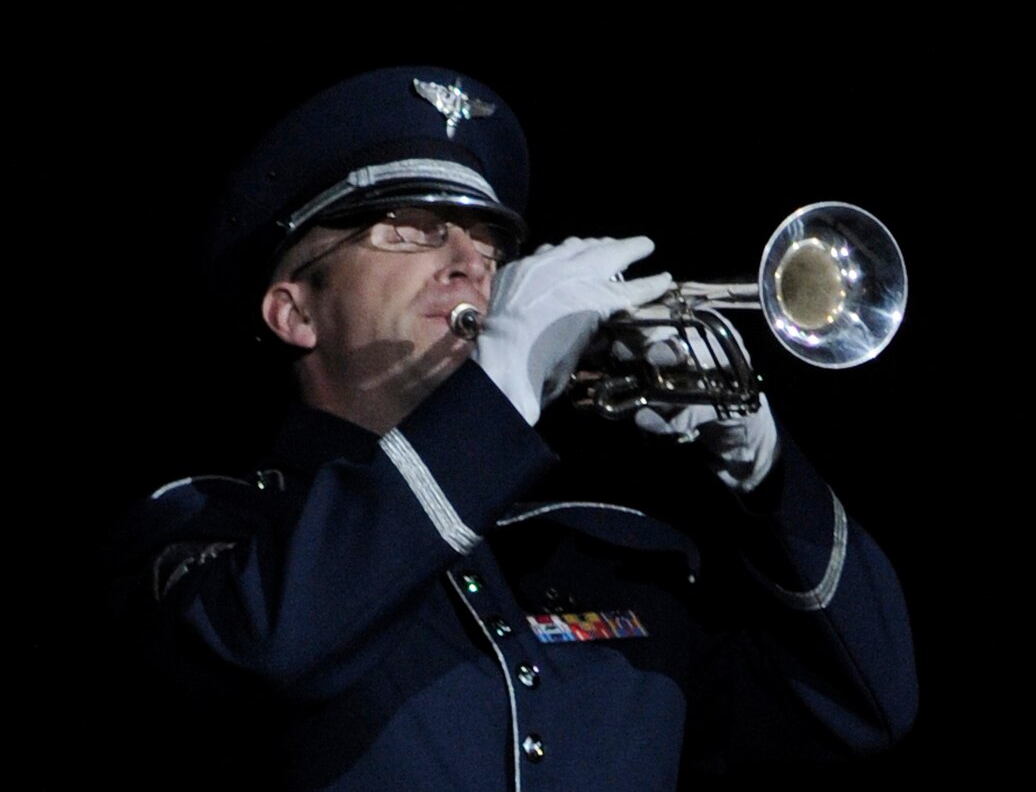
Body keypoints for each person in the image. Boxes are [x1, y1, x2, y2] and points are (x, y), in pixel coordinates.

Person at [108, 66, 918, 789]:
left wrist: (767, 473)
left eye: (490, 241)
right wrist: (494, 399)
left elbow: (863, 709)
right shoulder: (215, 530)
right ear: (295, 312)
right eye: (412, 227)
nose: (470, 261)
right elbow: (268, 653)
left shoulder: (603, 552)